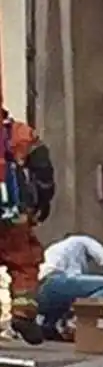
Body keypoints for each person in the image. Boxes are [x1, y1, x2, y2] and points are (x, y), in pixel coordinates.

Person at [0, 108, 55, 345]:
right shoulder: (21, 133)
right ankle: (23, 315)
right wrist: (43, 203)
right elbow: (44, 172)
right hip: (14, 216)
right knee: (24, 265)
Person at [36, 235, 103, 340]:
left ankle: (48, 325)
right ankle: (79, 319)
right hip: (56, 282)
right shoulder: (81, 239)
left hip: (39, 292)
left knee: (71, 296)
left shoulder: (54, 249)